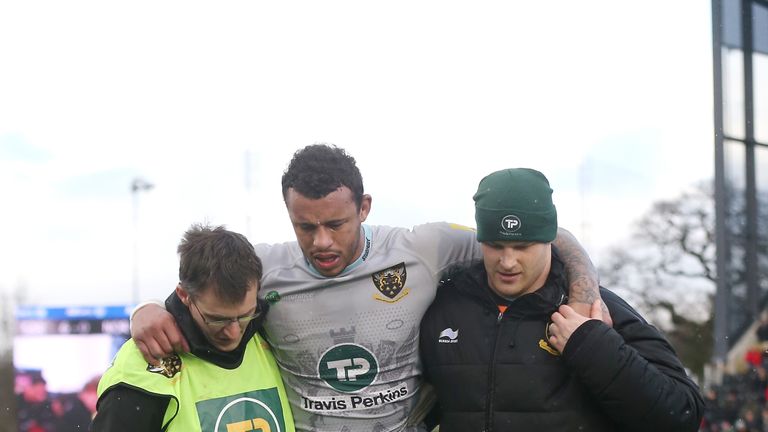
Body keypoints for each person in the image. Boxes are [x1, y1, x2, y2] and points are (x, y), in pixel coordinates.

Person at [131, 144, 604, 431]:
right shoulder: (263, 266)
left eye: (335, 224)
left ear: (364, 207)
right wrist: (148, 308)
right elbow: (200, 290)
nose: (321, 242)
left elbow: (542, 234)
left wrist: (584, 293)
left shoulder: (424, 247)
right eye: (304, 226)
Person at [419, 168, 705, 431]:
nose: (507, 261)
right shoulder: (445, 307)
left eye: (522, 246)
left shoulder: (597, 308)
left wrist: (592, 346)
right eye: (495, 245)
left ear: (549, 239)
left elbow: (681, 415)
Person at [91, 224, 294, 431]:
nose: (233, 332)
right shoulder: (143, 362)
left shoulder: (273, 331)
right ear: (184, 295)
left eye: (244, 316)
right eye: (217, 319)